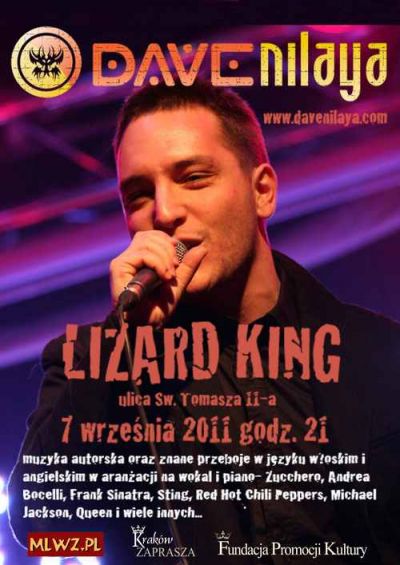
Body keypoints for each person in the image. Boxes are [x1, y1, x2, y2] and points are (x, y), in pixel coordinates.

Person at [8, 81, 400, 565]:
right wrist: (123, 347)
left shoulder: (374, 350)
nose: (165, 212)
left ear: (262, 191)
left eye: (193, 178)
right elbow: (44, 529)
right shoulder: (95, 362)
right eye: (138, 195)